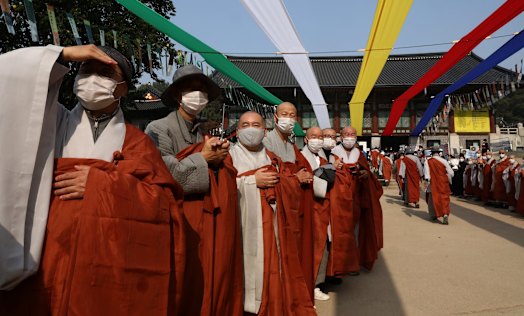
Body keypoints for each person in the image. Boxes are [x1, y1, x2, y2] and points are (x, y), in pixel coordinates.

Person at [0, 45, 185, 315]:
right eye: (87, 69)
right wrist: (62, 55)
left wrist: (103, 185)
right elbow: (10, 83)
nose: (93, 78)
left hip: (104, 261)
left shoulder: (138, 143)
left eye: (106, 73)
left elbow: (164, 205)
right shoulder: (49, 122)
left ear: (123, 87)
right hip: (44, 252)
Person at [145, 65, 243, 316]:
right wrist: (204, 159)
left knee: (209, 275)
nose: (197, 95)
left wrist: (220, 160)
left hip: (208, 219)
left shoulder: (204, 133)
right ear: (178, 95)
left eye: (201, 90)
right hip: (178, 217)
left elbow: (224, 173)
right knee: (181, 279)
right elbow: (163, 174)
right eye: (191, 89)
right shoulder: (158, 129)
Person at [231, 111, 316, 315]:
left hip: (272, 223)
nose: (251, 129)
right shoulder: (228, 156)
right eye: (245, 124)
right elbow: (221, 186)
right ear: (236, 131)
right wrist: (252, 181)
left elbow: (287, 181)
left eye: (256, 124)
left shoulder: (272, 158)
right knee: (244, 268)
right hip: (242, 224)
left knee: (270, 266)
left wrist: (293, 180)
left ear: (265, 130)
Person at [262, 101, 316, 301]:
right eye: (284, 114)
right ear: (275, 117)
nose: (289, 119)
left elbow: (301, 168)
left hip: (294, 206)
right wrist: (296, 178)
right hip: (278, 207)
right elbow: (270, 176)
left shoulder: (292, 146)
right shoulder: (267, 142)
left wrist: (304, 175)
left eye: (292, 115)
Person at [331, 126, 384, 271]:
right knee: (340, 229)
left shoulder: (358, 153)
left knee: (356, 229)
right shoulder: (333, 152)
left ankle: (355, 259)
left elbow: (367, 171)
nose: (349, 137)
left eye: (352, 134)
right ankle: (341, 263)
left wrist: (365, 175)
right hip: (340, 196)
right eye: (346, 134)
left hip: (357, 196)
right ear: (341, 136)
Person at [301, 127, 331, 301]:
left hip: (321, 208)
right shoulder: (298, 156)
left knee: (321, 246)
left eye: (320, 137)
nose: (317, 140)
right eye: (313, 136)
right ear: (306, 139)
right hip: (304, 207)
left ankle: (316, 284)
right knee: (304, 247)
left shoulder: (323, 159)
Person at [424, 147, 454, 225]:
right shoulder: (444, 161)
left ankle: (433, 215)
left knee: (432, 198)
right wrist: (447, 179)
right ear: (439, 153)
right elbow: (451, 173)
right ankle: (445, 214)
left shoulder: (428, 161)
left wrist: (427, 182)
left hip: (433, 182)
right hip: (443, 182)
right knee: (444, 198)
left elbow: (427, 174)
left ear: (431, 153)